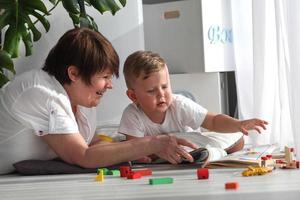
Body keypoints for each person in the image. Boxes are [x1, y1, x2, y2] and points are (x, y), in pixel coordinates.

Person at [0, 28, 198, 174]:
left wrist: (137, 151)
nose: (109, 85)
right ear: (74, 73)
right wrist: (151, 143)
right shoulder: (41, 93)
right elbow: (83, 156)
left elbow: (93, 145)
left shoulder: (83, 99)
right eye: (104, 77)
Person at [118, 50, 268, 164]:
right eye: (151, 91)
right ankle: (209, 153)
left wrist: (238, 124)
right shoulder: (132, 115)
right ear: (133, 96)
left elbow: (213, 120)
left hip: (193, 144)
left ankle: (214, 152)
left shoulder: (179, 105)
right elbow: (134, 149)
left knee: (237, 138)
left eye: (165, 86)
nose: (161, 94)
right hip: (165, 151)